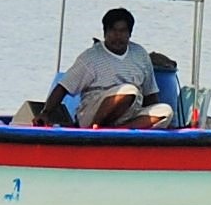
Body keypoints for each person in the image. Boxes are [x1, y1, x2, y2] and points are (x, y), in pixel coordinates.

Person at [45, 7, 174, 129]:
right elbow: (63, 87)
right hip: (93, 113)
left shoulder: (140, 54)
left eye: (122, 31)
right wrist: (45, 113)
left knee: (166, 111)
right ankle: (95, 128)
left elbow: (150, 94)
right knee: (129, 90)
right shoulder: (90, 57)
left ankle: (118, 131)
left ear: (129, 33)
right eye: (113, 31)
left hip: (129, 114)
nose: (117, 36)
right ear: (105, 32)